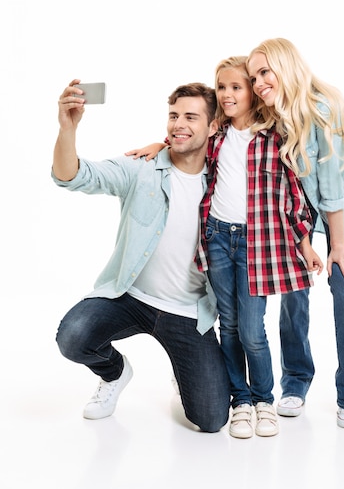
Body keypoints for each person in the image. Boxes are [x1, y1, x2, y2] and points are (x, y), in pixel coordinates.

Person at [126, 56, 323, 439]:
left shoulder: (275, 137)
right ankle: (241, 401)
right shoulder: (216, 135)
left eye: (237, 87)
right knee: (228, 326)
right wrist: (159, 143)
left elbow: (294, 198)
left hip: (256, 244)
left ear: (252, 92)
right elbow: (185, 141)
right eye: (222, 87)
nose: (229, 94)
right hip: (217, 238)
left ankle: (263, 399)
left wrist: (305, 244)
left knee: (252, 329)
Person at [52, 79, 231, 433]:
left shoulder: (225, 180)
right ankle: (114, 373)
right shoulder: (141, 167)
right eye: (174, 115)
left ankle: (183, 372)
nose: (179, 124)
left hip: (188, 314)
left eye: (191, 117)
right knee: (73, 336)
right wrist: (67, 128)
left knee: (211, 420)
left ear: (213, 126)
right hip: (129, 297)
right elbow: (71, 176)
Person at [246, 37, 344, 429]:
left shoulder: (323, 110)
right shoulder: (274, 117)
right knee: (293, 290)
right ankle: (296, 380)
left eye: (265, 72)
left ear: (286, 67)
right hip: (300, 219)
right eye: (253, 77)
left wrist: (336, 244)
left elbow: (332, 187)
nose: (258, 83)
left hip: (342, 218)